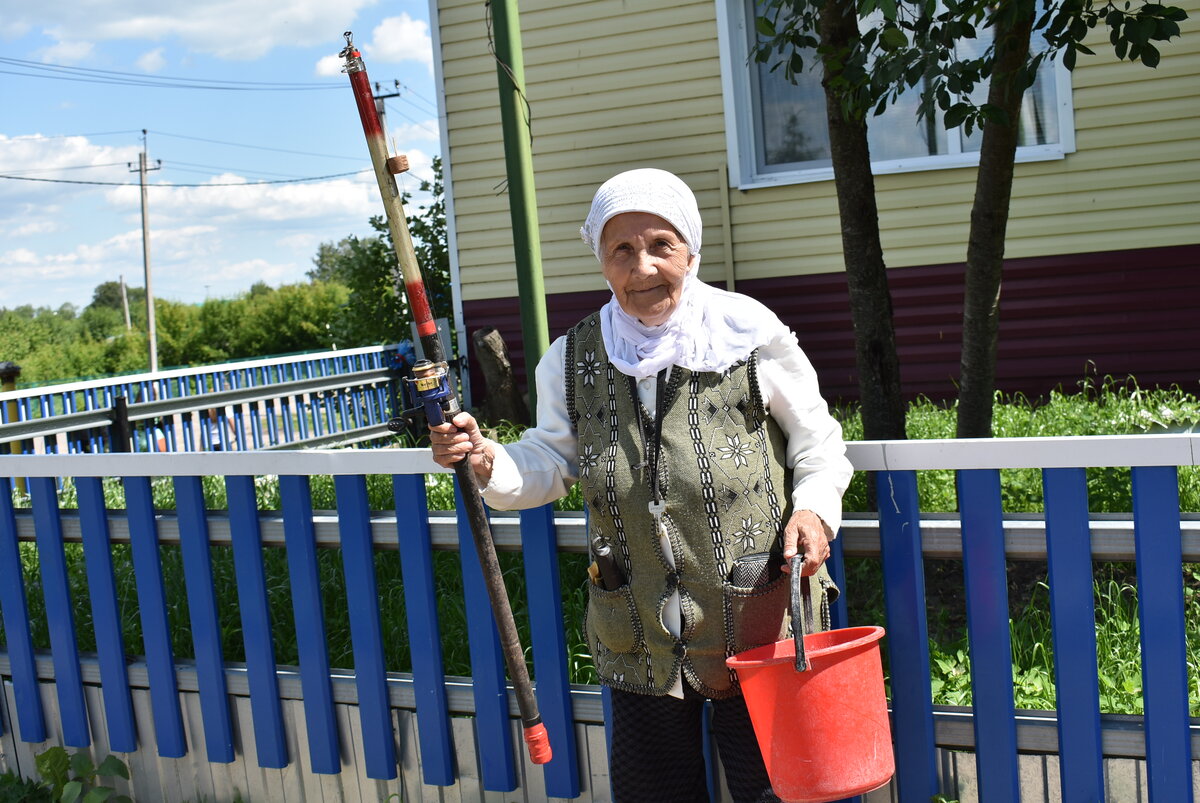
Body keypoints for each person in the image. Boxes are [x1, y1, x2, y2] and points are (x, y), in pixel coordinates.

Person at [431, 168, 852, 802]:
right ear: (600, 259)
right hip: (639, 633)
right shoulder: (571, 359)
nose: (643, 267)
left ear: (691, 250)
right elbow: (547, 461)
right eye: (621, 250)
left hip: (759, 621)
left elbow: (818, 439)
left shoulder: (747, 332)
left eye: (661, 245)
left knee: (781, 794)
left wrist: (814, 511)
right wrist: (488, 461)